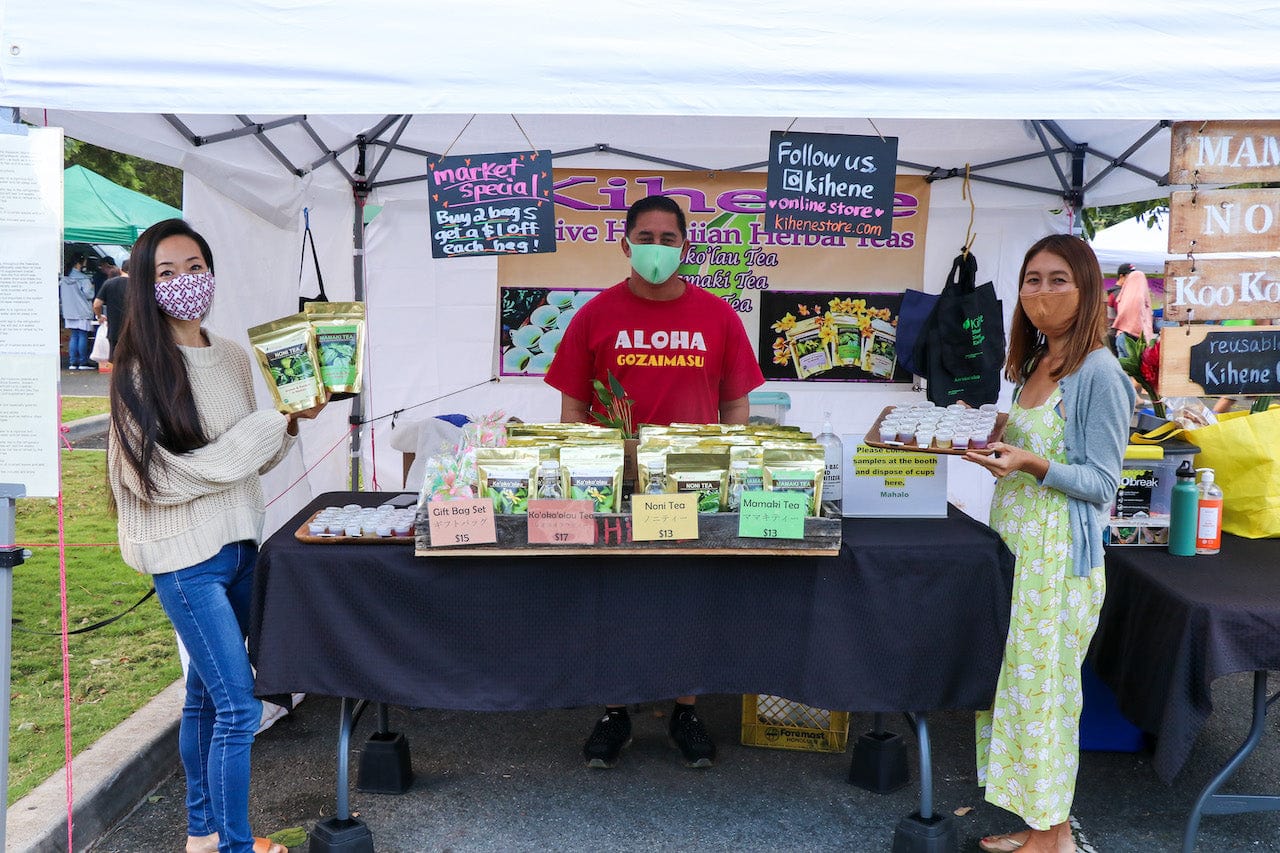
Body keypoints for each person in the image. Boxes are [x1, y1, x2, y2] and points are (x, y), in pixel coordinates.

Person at [108, 219, 323, 853]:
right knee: (238, 707)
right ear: (144, 287)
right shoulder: (137, 370)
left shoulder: (231, 355)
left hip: (239, 545)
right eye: (166, 273)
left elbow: (253, 460)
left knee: (204, 701)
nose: (185, 283)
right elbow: (159, 478)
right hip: (183, 560)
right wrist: (265, 427)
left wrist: (286, 425)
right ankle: (234, 845)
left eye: (195, 267)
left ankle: (200, 836)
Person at [544, 195, 765, 769]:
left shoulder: (718, 316)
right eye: (647, 237)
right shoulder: (595, 315)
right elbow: (572, 410)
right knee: (613, 599)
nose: (658, 249)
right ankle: (614, 712)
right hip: (613, 487)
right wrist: (587, 473)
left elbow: (736, 405)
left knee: (687, 599)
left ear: (686, 245)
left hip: (691, 489)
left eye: (670, 238)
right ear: (625, 244)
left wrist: (731, 470)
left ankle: (685, 710)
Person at [962, 235, 1134, 853]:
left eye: (1058, 279)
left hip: (1058, 557)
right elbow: (1039, 443)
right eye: (1032, 279)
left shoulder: (1100, 373)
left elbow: (1102, 482)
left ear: (1087, 288)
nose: (1040, 292)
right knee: (1013, 686)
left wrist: (1032, 464)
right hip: (1014, 546)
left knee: (1047, 695)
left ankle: (1053, 836)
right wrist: (992, 437)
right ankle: (1040, 823)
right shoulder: (1036, 363)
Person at [59, 253, 97, 370]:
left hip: (69, 311)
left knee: (74, 335)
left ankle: (72, 362)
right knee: (82, 335)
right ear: (79, 263)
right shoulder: (83, 278)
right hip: (82, 310)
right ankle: (83, 362)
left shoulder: (64, 278)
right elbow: (89, 294)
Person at [1111, 262, 1153, 359]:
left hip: (1121, 336)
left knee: (1124, 371)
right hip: (1135, 340)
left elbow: (1112, 318)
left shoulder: (1122, 295)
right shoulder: (1140, 298)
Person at [93, 258, 129, 352]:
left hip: (114, 329)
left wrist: (99, 316)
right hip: (134, 329)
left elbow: (97, 305)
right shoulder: (139, 284)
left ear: (121, 270)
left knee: (116, 359)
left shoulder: (109, 283)